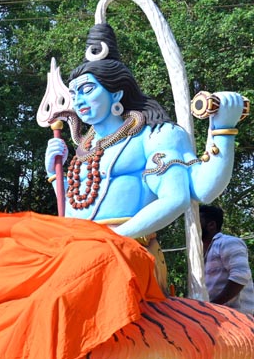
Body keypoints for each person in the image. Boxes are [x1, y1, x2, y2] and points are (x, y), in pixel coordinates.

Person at [43, 23, 245, 242]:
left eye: (88, 90)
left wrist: (223, 128)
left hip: (127, 247)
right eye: (73, 94)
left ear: (117, 92)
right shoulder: (85, 150)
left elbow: (189, 194)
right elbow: (71, 213)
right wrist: (55, 175)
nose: (78, 100)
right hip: (80, 245)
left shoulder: (154, 135)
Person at [200, 204, 254, 313]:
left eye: (196, 222)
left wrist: (213, 306)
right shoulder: (200, 253)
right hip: (218, 317)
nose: (191, 227)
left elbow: (240, 276)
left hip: (240, 318)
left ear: (211, 225)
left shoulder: (228, 242)